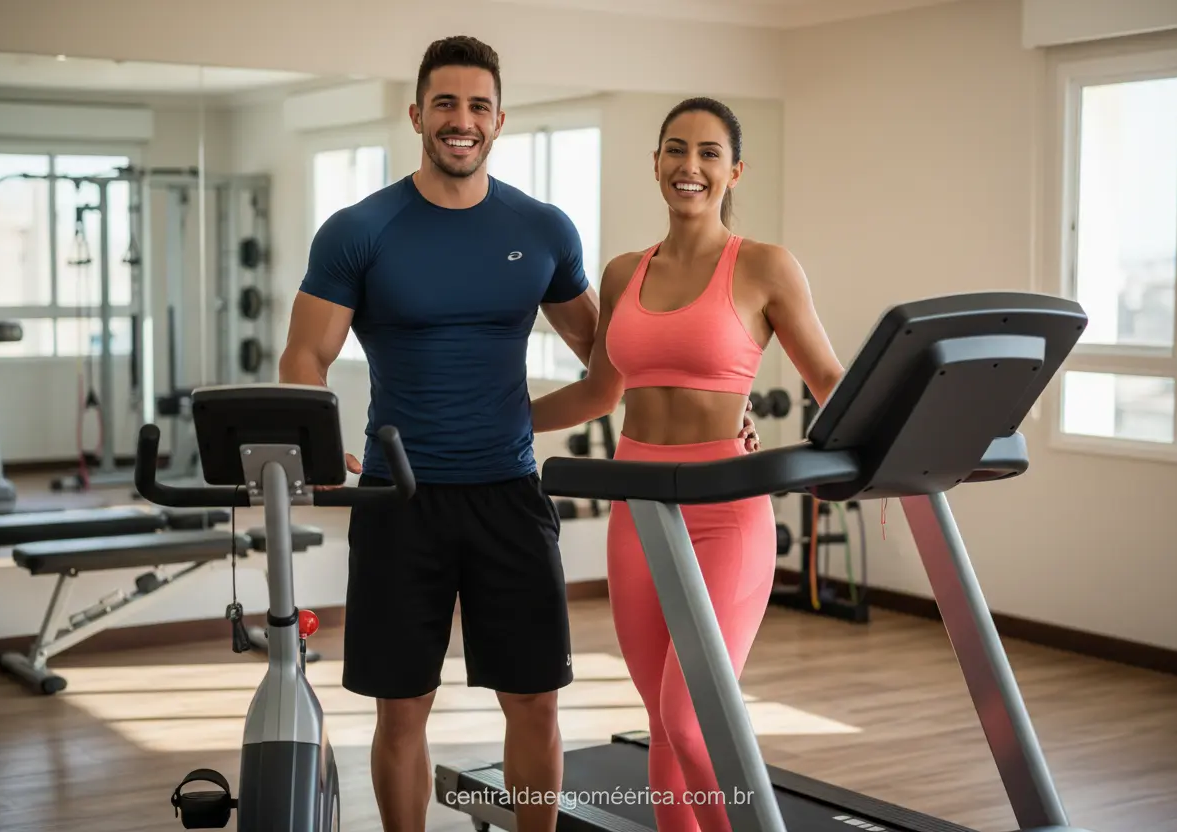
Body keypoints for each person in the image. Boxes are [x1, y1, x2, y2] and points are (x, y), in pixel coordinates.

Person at [277, 35, 608, 832]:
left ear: (500, 120)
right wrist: (316, 451)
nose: (463, 120)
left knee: (533, 700)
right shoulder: (361, 230)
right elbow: (304, 357)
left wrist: (527, 420)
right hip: (400, 500)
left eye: (479, 106)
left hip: (509, 496)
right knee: (402, 710)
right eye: (447, 104)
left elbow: (608, 360)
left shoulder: (544, 228)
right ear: (418, 112)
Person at [528, 97, 847, 832]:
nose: (690, 166)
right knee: (661, 725)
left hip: (726, 511)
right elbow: (599, 392)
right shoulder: (621, 273)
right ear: (656, 164)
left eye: (708, 153)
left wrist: (886, 446)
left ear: (734, 171)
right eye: (676, 150)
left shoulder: (764, 266)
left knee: (692, 717)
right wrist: (500, 418)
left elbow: (830, 380)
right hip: (638, 509)